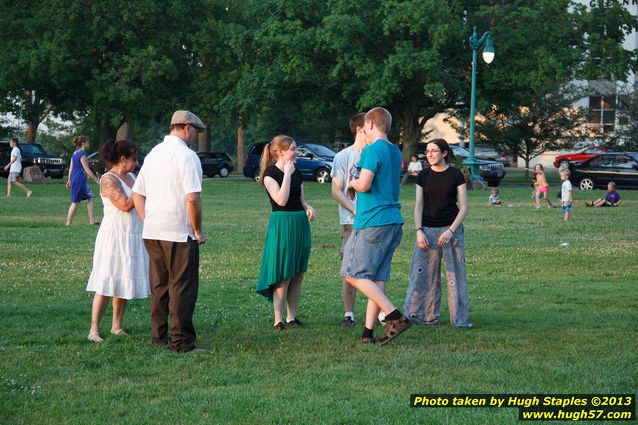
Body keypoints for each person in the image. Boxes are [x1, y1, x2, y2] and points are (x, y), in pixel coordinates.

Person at [132, 110, 207, 353]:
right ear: (186, 127)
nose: (196, 136)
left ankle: (159, 337)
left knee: (160, 287)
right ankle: (181, 342)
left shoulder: (154, 153)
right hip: (179, 232)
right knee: (182, 288)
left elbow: (137, 193)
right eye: (195, 130)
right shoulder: (187, 156)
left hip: (153, 231)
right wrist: (197, 230)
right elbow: (193, 199)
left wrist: (148, 220)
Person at [340, 106, 411, 345]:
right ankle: (367, 333)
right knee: (376, 277)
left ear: (370, 125)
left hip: (372, 220)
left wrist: (351, 183)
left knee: (351, 273)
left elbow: (365, 184)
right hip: (393, 220)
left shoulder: (373, 150)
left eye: (364, 128)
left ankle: (394, 315)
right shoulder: (394, 151)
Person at [404, 138, 472, 328]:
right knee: (423, 274)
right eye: (427, 151)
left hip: (451, 231)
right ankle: (423, 315)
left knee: (456, 275)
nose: (430, 154)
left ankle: (459, 318)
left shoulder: (456, 175)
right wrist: (419, 231)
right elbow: (418, 207)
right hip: (427, 231)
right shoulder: (423, 176)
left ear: (444, 153)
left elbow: (464, 207)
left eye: (434, 151)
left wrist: (451, 231)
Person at [86, 139, 150, 342]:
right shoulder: (108, 179)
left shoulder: (131, 176)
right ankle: (94, 330)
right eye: (134, 159)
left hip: (132, 234)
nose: (136, 163)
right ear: (122, 158)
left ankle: (116, 325)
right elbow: (124, 204)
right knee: (106, 281)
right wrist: (143, 186)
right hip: (114, 235)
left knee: (124, 278)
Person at [256, 135, 315, 330]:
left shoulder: (297, 171)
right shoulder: (270, 175)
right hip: (283, 225)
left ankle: (291, 317)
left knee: (298, 274)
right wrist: (287, 175)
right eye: (293, 149)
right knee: (284, 274)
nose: (296, 152)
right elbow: (281, 200)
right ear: (280, 152)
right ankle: (278, 320)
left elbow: (301, 200)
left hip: (299, 224)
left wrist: (309, 208)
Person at [331, 113, 366, 328]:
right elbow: (336, 190)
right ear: (361, 128)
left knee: (374, 267)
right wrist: (354, 210)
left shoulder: (376, 154)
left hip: (373, 221)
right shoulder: (343, 156)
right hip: (351, 221)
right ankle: (349, 314)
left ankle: (380, 313)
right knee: (349, 268)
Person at [66, 136, 101, 225]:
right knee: (75, 202)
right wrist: (97, 180)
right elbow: (87, 170)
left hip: (77, 179)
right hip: (79, 180)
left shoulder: (74, 153)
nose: (89, 144)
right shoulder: (82, 155)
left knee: (91, 197)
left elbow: (71, 168)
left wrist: (69, 180)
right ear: (83, 143)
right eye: (88, 142)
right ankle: (68, 223)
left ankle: (92, 220)